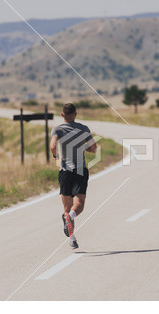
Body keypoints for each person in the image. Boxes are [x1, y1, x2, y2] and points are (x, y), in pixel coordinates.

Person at [50, 103, 97, 249]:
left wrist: (55, 155)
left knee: (67, 207)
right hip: (80, 170)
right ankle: (70, 218)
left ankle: (72, 238)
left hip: (64, 171)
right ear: (75, 114)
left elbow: (52, 146)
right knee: (79, 205)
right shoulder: (83, 129)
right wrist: (83, 147)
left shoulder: (57, 129)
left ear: (62, 115)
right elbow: (94, 148)